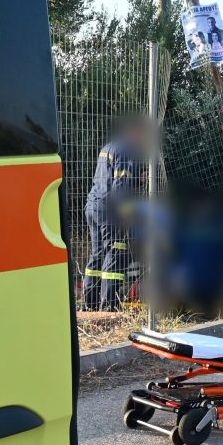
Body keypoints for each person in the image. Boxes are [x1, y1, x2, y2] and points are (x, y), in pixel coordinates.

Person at [83, 117, 147, 311]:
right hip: (110, 209)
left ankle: (90, 305)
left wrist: (138, 179)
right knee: (115, 251)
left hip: (93, 205)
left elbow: (110, 178)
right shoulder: (128, 149)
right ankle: (109, 307)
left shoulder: (108, 147)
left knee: (97, 254)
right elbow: (121, 187)